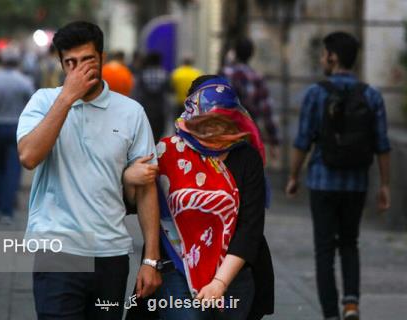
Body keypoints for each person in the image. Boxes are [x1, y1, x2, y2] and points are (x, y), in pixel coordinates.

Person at [16, 21, 162, 320]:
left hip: (111, 254)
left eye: (87, 61)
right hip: (57, 253)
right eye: (71, 63)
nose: (80, 69)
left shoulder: (131, 112)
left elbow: (146, 187)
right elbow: (29, 157)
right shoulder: (43, 102)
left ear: (102, 59)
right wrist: (67, 98)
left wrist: (151, 260)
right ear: (61, 64)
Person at [124, 75, 274, 320]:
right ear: (191, 114)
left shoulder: (246, 157)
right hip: (175, 271)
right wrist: (130, 179)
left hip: (234, 274)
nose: (215, 128)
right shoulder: (166, 152)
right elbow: (135, 203)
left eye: (223, 119)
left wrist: (219, 282)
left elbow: (250, 227)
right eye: (207, 120)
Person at [285, 31, 391, 320]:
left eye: (323, 54)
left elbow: (302, 141)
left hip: (322, 181)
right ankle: (352, 304)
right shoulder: (371, 95)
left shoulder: (316, 93)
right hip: (356, 181)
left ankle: (331, 314)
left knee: (324, 250)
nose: (322, 59)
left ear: (332, 57)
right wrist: (384, 185)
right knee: (349, 243)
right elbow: (382, 145)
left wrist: (293, 176)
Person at [0, 47, 35, 224]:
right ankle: (7, 210)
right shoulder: (25, 82)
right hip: (18, 129)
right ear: (18, 62)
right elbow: (33, 107)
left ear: (3, 61)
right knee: (13, 169)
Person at [221, 38, 280, 160]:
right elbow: (267, 109)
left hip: (224, 134)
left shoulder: (224, 74)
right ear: (251, 55)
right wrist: (274, 141)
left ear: (235, 53)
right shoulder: (256, 77)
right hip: (248, 134)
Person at [134, 52, 170, 142]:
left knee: (148, 131)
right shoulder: (164, 74)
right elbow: (168, 90)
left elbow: (138, 92)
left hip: (147, 107)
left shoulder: (143, 74)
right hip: (160, 107)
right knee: (159, 131)